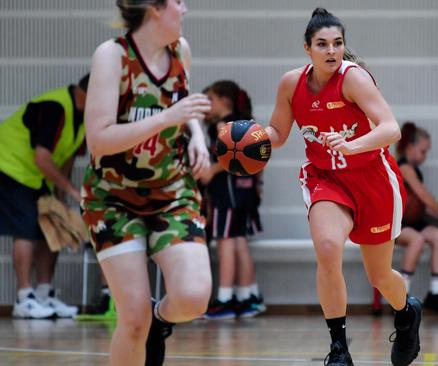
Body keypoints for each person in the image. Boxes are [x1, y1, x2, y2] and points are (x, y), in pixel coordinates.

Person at [264, 8, 422, 366]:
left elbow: (391, 129)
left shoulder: (354, 79)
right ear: (308, 49)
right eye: (322, 44)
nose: (331, 50)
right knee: (328, 246)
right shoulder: (291, 84)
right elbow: (277, 134)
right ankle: (339, 348)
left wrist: (352, 145)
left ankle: (407, 312)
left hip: (371, 178)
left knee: (379, 275)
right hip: (326, 179)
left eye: (337, 43)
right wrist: (250, 142)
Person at [81, 0, 212, 365]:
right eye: (178, 2)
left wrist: (196, 135)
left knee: (193, 298)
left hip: (172, 191)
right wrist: (168, 117)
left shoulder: (179, 50)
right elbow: (99, 140)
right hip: (112, 199)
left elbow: (182, 100)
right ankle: (145, 321)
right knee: (132, 319)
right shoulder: (113, 56)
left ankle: (160, 319)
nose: (185, 9)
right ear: (155, 9)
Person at [0, 73, 89, 319]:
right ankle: (24, 298)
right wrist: (73, 191)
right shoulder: (56, 107)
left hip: (35, 176)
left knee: (52, 226)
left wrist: (60, 198)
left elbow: (68, 159)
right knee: (26, 226)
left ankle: (43, 293)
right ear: (87, 93)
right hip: (9, 167)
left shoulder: (83, 120)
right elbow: (43, 157)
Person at [199, 80, 265, 319]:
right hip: (244, 193)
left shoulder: (221, 126)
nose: (207, 106)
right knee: (238, 243)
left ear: (223, 100)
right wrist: (257, 186)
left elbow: (230, 156)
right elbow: (258, 159)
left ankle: (225, 300)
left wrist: (210, 172)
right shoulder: (245, 124)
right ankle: (249, 296)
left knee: (226, 243)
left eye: (210, 100)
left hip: (227, 193)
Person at [394, 122, 438, 317]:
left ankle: (436, 295)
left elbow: (419, 206)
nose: (425, 156)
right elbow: (423, 195)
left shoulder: (416, 170)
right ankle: (401, 300)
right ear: (409, 148)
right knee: (417, 240)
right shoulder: (404, 168)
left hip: (416, 223)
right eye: (423, 151)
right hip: (398, 225)